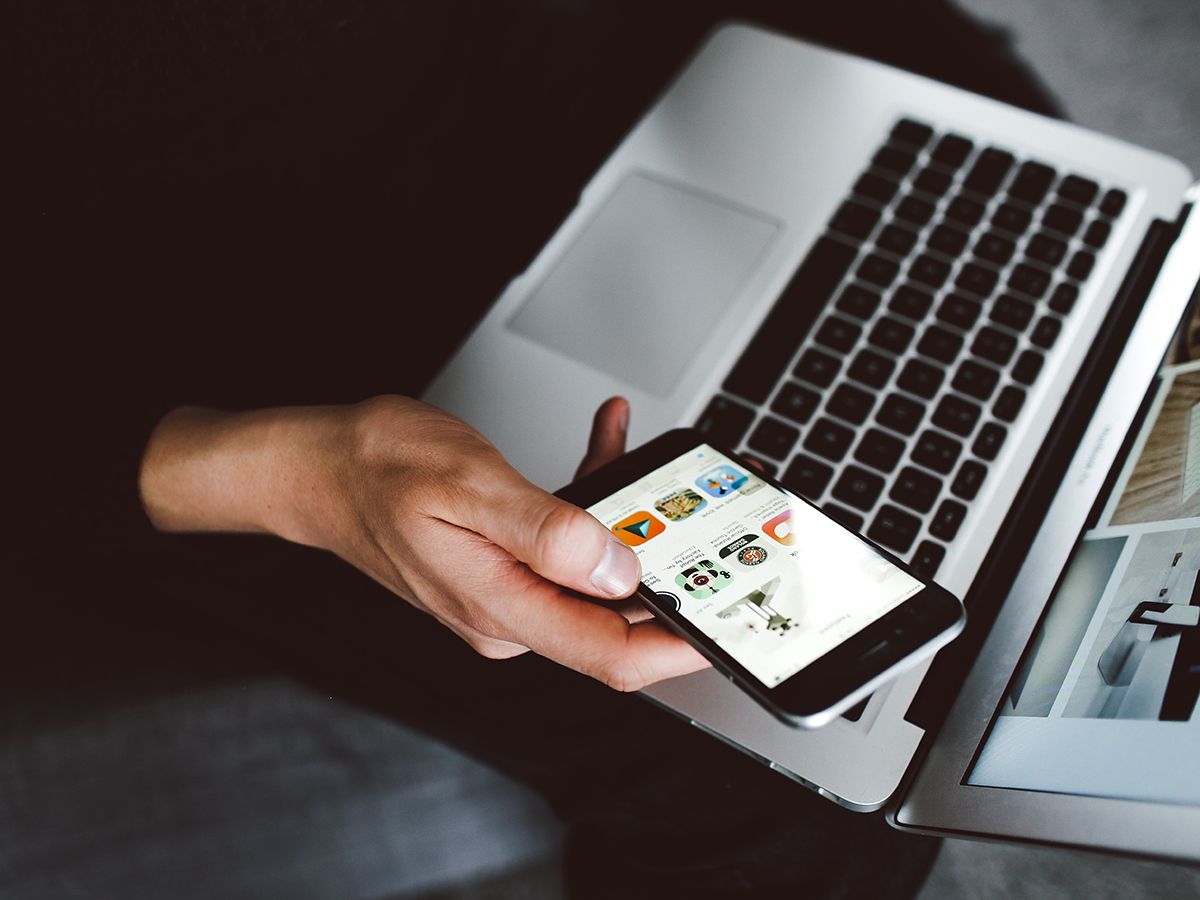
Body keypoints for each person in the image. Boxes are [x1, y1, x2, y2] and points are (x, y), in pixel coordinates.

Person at [13, 0, 1063, 895]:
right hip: (213, 367)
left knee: (1049, 285)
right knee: (799, 797)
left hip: (592, 67)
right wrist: (292, 475)